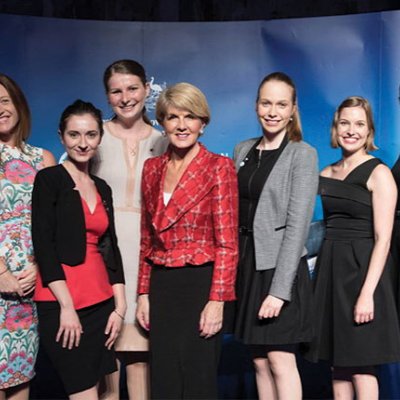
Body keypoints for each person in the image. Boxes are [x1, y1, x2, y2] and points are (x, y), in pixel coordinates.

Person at [136, 82, 238, 399]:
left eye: (189, 117)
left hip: (200, 283)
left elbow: (228, 243)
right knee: (164, 380)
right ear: (162, 123)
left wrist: (217, 301)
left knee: (198, 380)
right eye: (172, 117)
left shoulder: (218, 167)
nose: (181, 125)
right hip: (162, 284)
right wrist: (143, 293)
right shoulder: (152, 168)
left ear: (202, 123)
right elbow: (146, 239)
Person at [31, 100, 126, 400]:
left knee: (105, 391)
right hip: (63, 304)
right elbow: (43, 244)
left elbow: (112, 248)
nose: (82, 143)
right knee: (83, 392)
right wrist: (66, 307)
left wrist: (120, 308)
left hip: (102, 302)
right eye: (74, 135)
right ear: (61, 136)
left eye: (90, 135)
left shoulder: (102, 187)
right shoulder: (49, 180)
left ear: (99, 137)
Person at [233, 72, 318, 400]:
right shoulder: (242, 149)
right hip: (247, 265)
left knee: (281, 360)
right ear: (256, 106)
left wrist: (279, 291)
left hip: (279, 269)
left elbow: (298, 227)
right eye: (266, 102)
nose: (273, 111)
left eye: (281, 104)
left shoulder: (302, 154)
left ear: (293, 108)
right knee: (258, 360)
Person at [309, 96, 400, 399]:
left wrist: (366, 294)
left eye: (359, 124)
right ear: (336, 128)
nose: (351, 130)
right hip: (331, 273)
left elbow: (383, 239)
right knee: (338, 366)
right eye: (345, 123)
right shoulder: (324, 173)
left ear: (369, 131)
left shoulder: (380, 174)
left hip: (363, 274)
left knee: (362, 368)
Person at [91, 59, 166, 400]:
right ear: (107, 96)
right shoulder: (92, 136)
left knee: (143, 359)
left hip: (149, 257)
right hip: (104, 257)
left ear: (147, 90)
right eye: (116, 90)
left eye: (132, 88)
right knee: (106, 359)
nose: (125, 97)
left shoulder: (164, 140)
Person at [0, 73, 55, 400]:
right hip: (2, 280)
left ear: (18, 104)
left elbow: (52, 226)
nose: (0, 109)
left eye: (5, 101)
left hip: (30, 286)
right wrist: (1, 274)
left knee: (21, 376)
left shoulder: (42, 159)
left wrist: (39, 268)